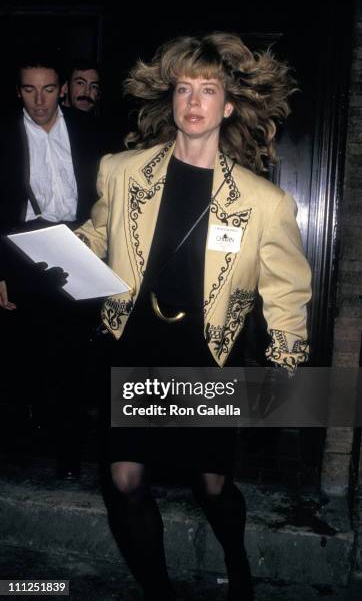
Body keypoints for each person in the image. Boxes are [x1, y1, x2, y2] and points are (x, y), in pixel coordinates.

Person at [75, 32, 312, 600]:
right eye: (185, 88)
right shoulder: (123, 170)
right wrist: (55, 254)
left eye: (209, 89)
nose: (195, 100)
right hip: (136, 342)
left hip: (206, 354)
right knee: (125, 478)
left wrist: (285, 368)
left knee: (212, 484)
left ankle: (236, 556)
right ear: (172, 99)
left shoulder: (263, 202)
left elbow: (286, 287)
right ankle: (159, 592)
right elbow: (97, 235)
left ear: (228, 106)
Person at [0, 50, 104, 478]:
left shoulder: (90, 132)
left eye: (47, 90)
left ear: (62, 90)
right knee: (25, 353)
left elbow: (107, 199)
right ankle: (22, 447)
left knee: (76, 353)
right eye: (29, 90)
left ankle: (70, 453)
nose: (39, 101)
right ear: (18, 91)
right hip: (22, 251)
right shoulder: (5, 136)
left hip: (80, 245)